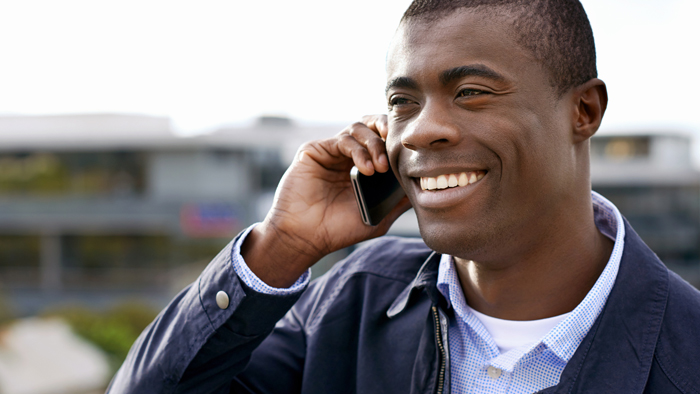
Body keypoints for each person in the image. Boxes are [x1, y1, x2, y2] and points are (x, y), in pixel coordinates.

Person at [108, 0, 700, 393]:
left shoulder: (687, 349)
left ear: (584, 111)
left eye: (470, 91)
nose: (418, 131)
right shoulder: (351, 303)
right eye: (402, 102)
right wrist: (282, 244)